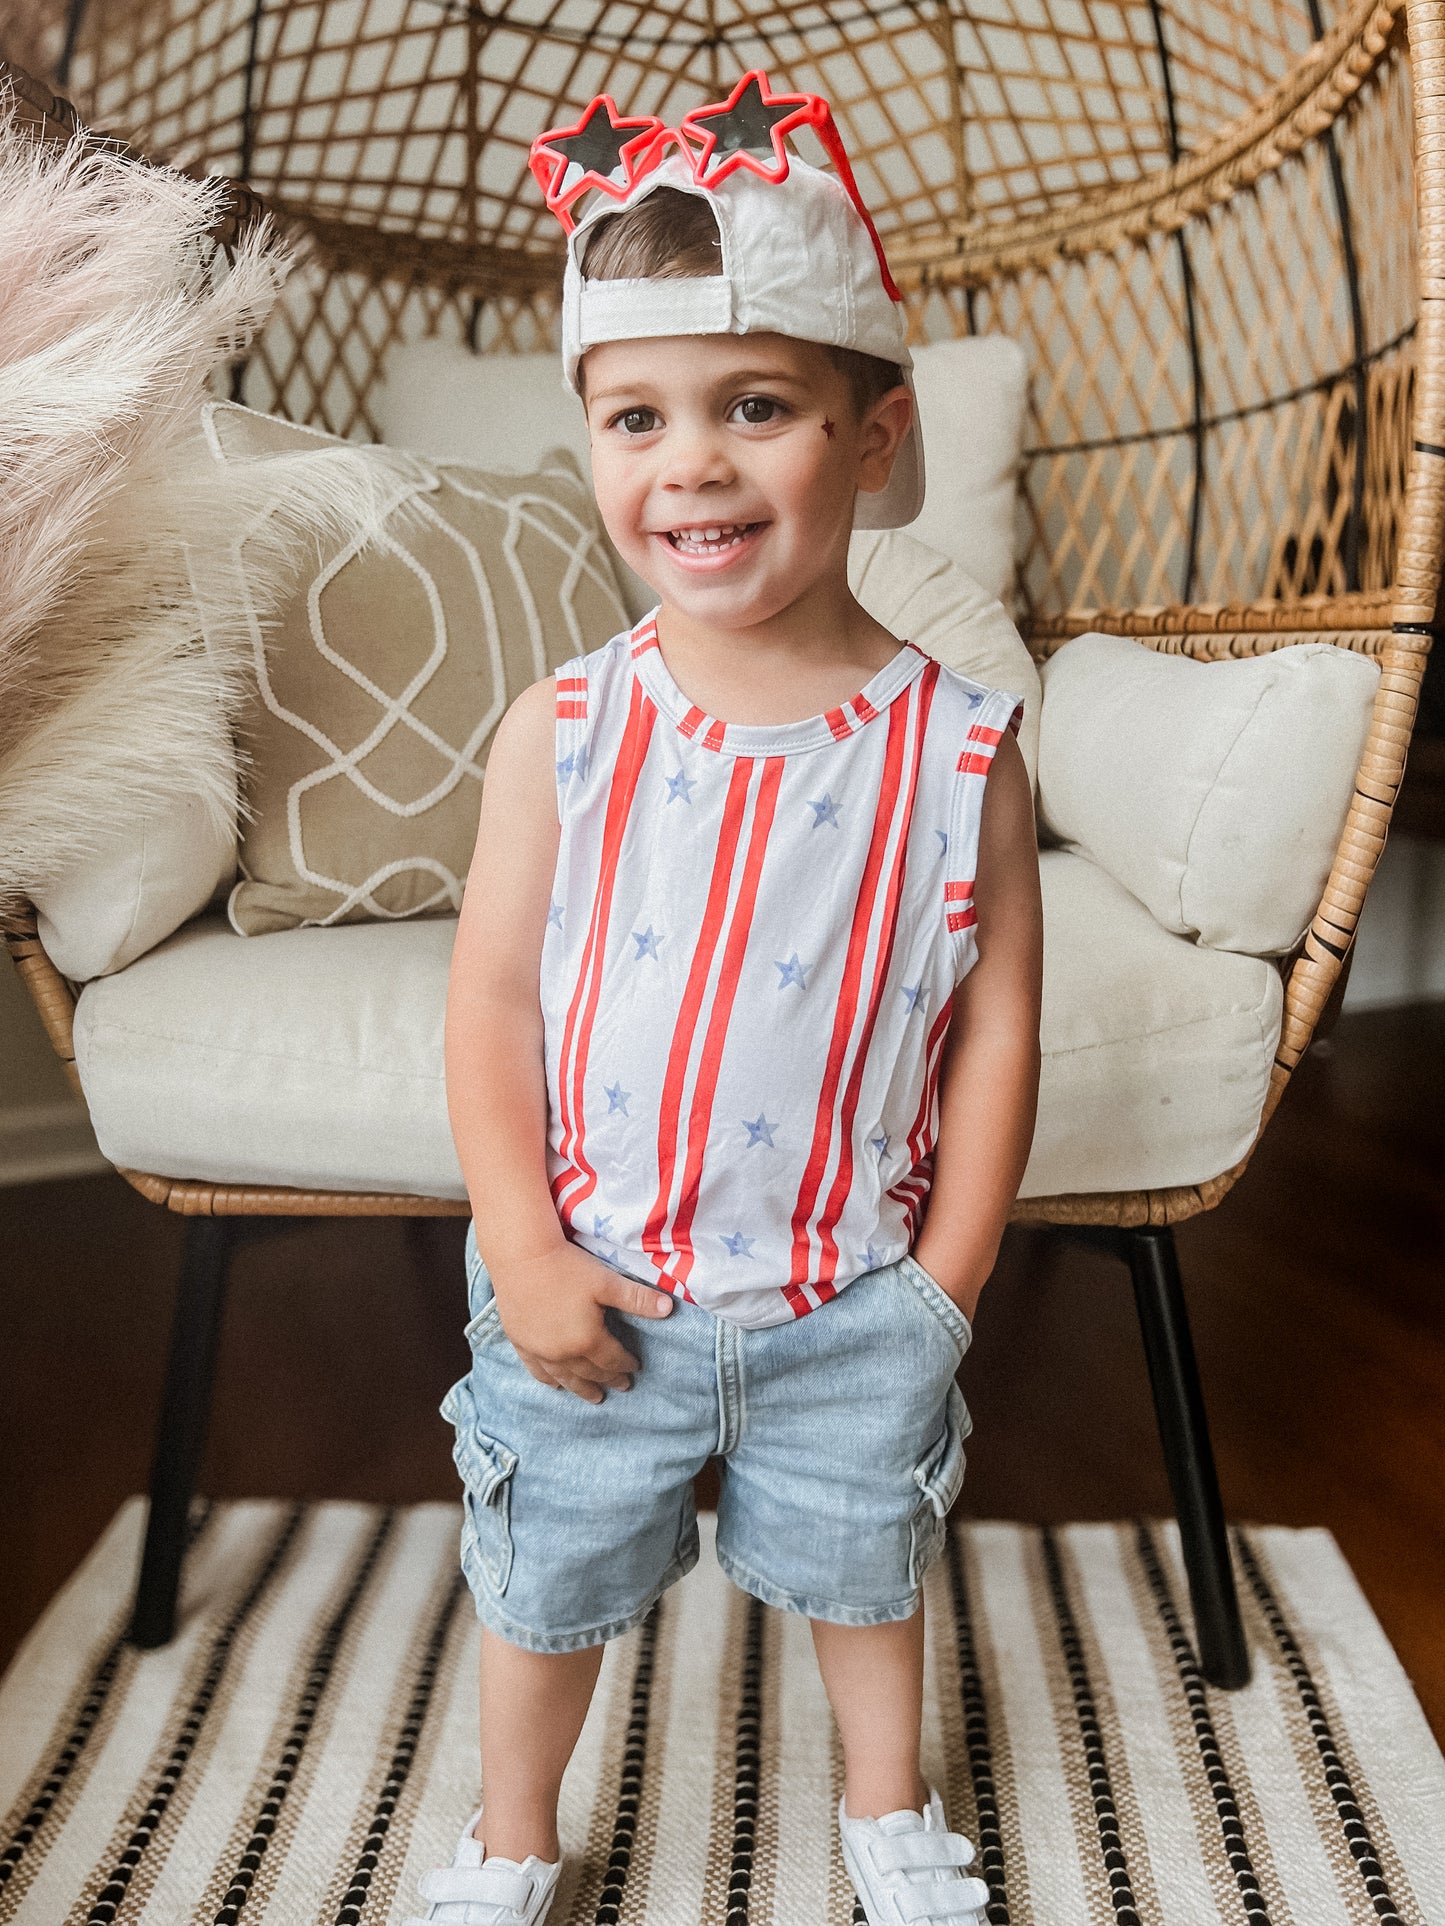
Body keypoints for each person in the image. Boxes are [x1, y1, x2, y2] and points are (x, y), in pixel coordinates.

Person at [409, 71, 1042, 1926]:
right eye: (636, 417)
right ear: (593, 440)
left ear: (867, 432)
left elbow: (994, 1015)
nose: (686, 463)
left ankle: (884, 1810)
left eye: (753, 408)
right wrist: (518, 1242)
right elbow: (495, 996)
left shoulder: (958, 743)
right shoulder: (569, 730)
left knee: (867, 1565)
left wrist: (954, 1275)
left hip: (856, 1283)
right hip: (595, 1275)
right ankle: (513, 1833)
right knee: (547, 1577)